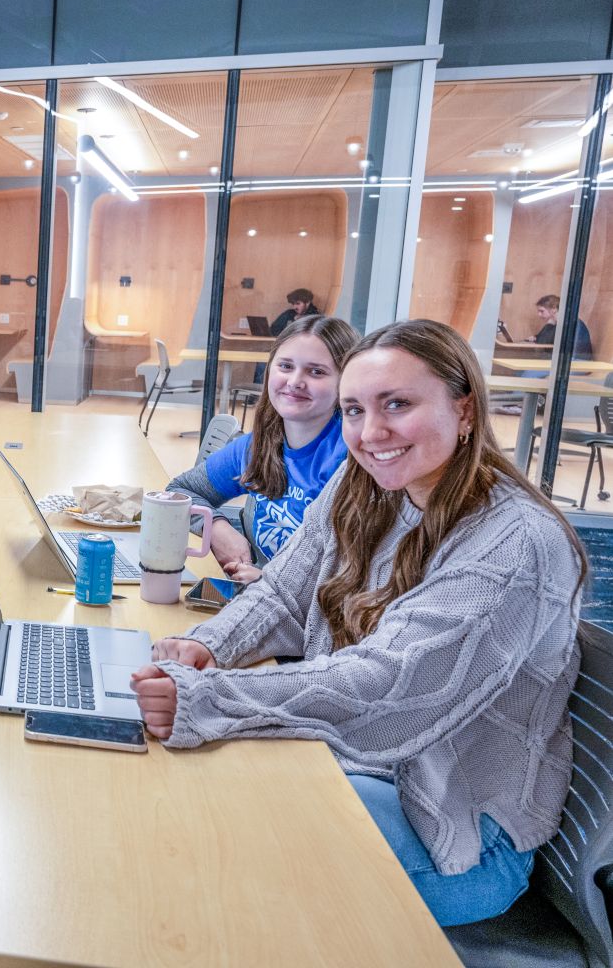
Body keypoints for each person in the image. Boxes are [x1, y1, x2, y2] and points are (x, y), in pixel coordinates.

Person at [132, 319, 586, 927]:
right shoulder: (367, 481)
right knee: (189, 802)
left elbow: (390, 686)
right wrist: (204, 645)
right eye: (353, 410)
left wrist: (209, 697)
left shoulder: (515, 543)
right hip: (361, 763)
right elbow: (286, 595)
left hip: (454, 834)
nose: (371, 433)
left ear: (466, 408)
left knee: (211, 850)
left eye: (397, 404)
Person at [168, 315, 359, 582]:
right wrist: (217, 528)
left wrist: (267, 582)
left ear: (346, 382)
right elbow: (179, 492)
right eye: (286, 366)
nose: (295, 381)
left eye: (316, 371)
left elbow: (353, 576)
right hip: (259, 602)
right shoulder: (260, 444)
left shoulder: (353, 458)